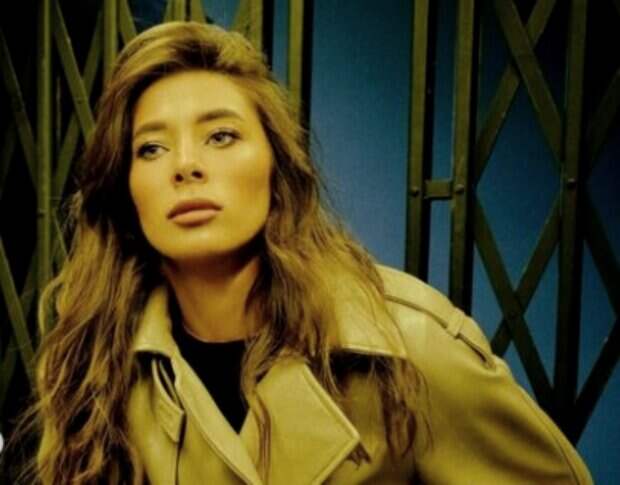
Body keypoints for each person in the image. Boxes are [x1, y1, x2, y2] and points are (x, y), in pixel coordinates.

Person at [25, 21, 592, 484]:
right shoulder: (92, 366)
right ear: (125, 189)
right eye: (151, 148)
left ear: (277, 168)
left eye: (221, 136)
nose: (186, 165)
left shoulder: (406, 345)